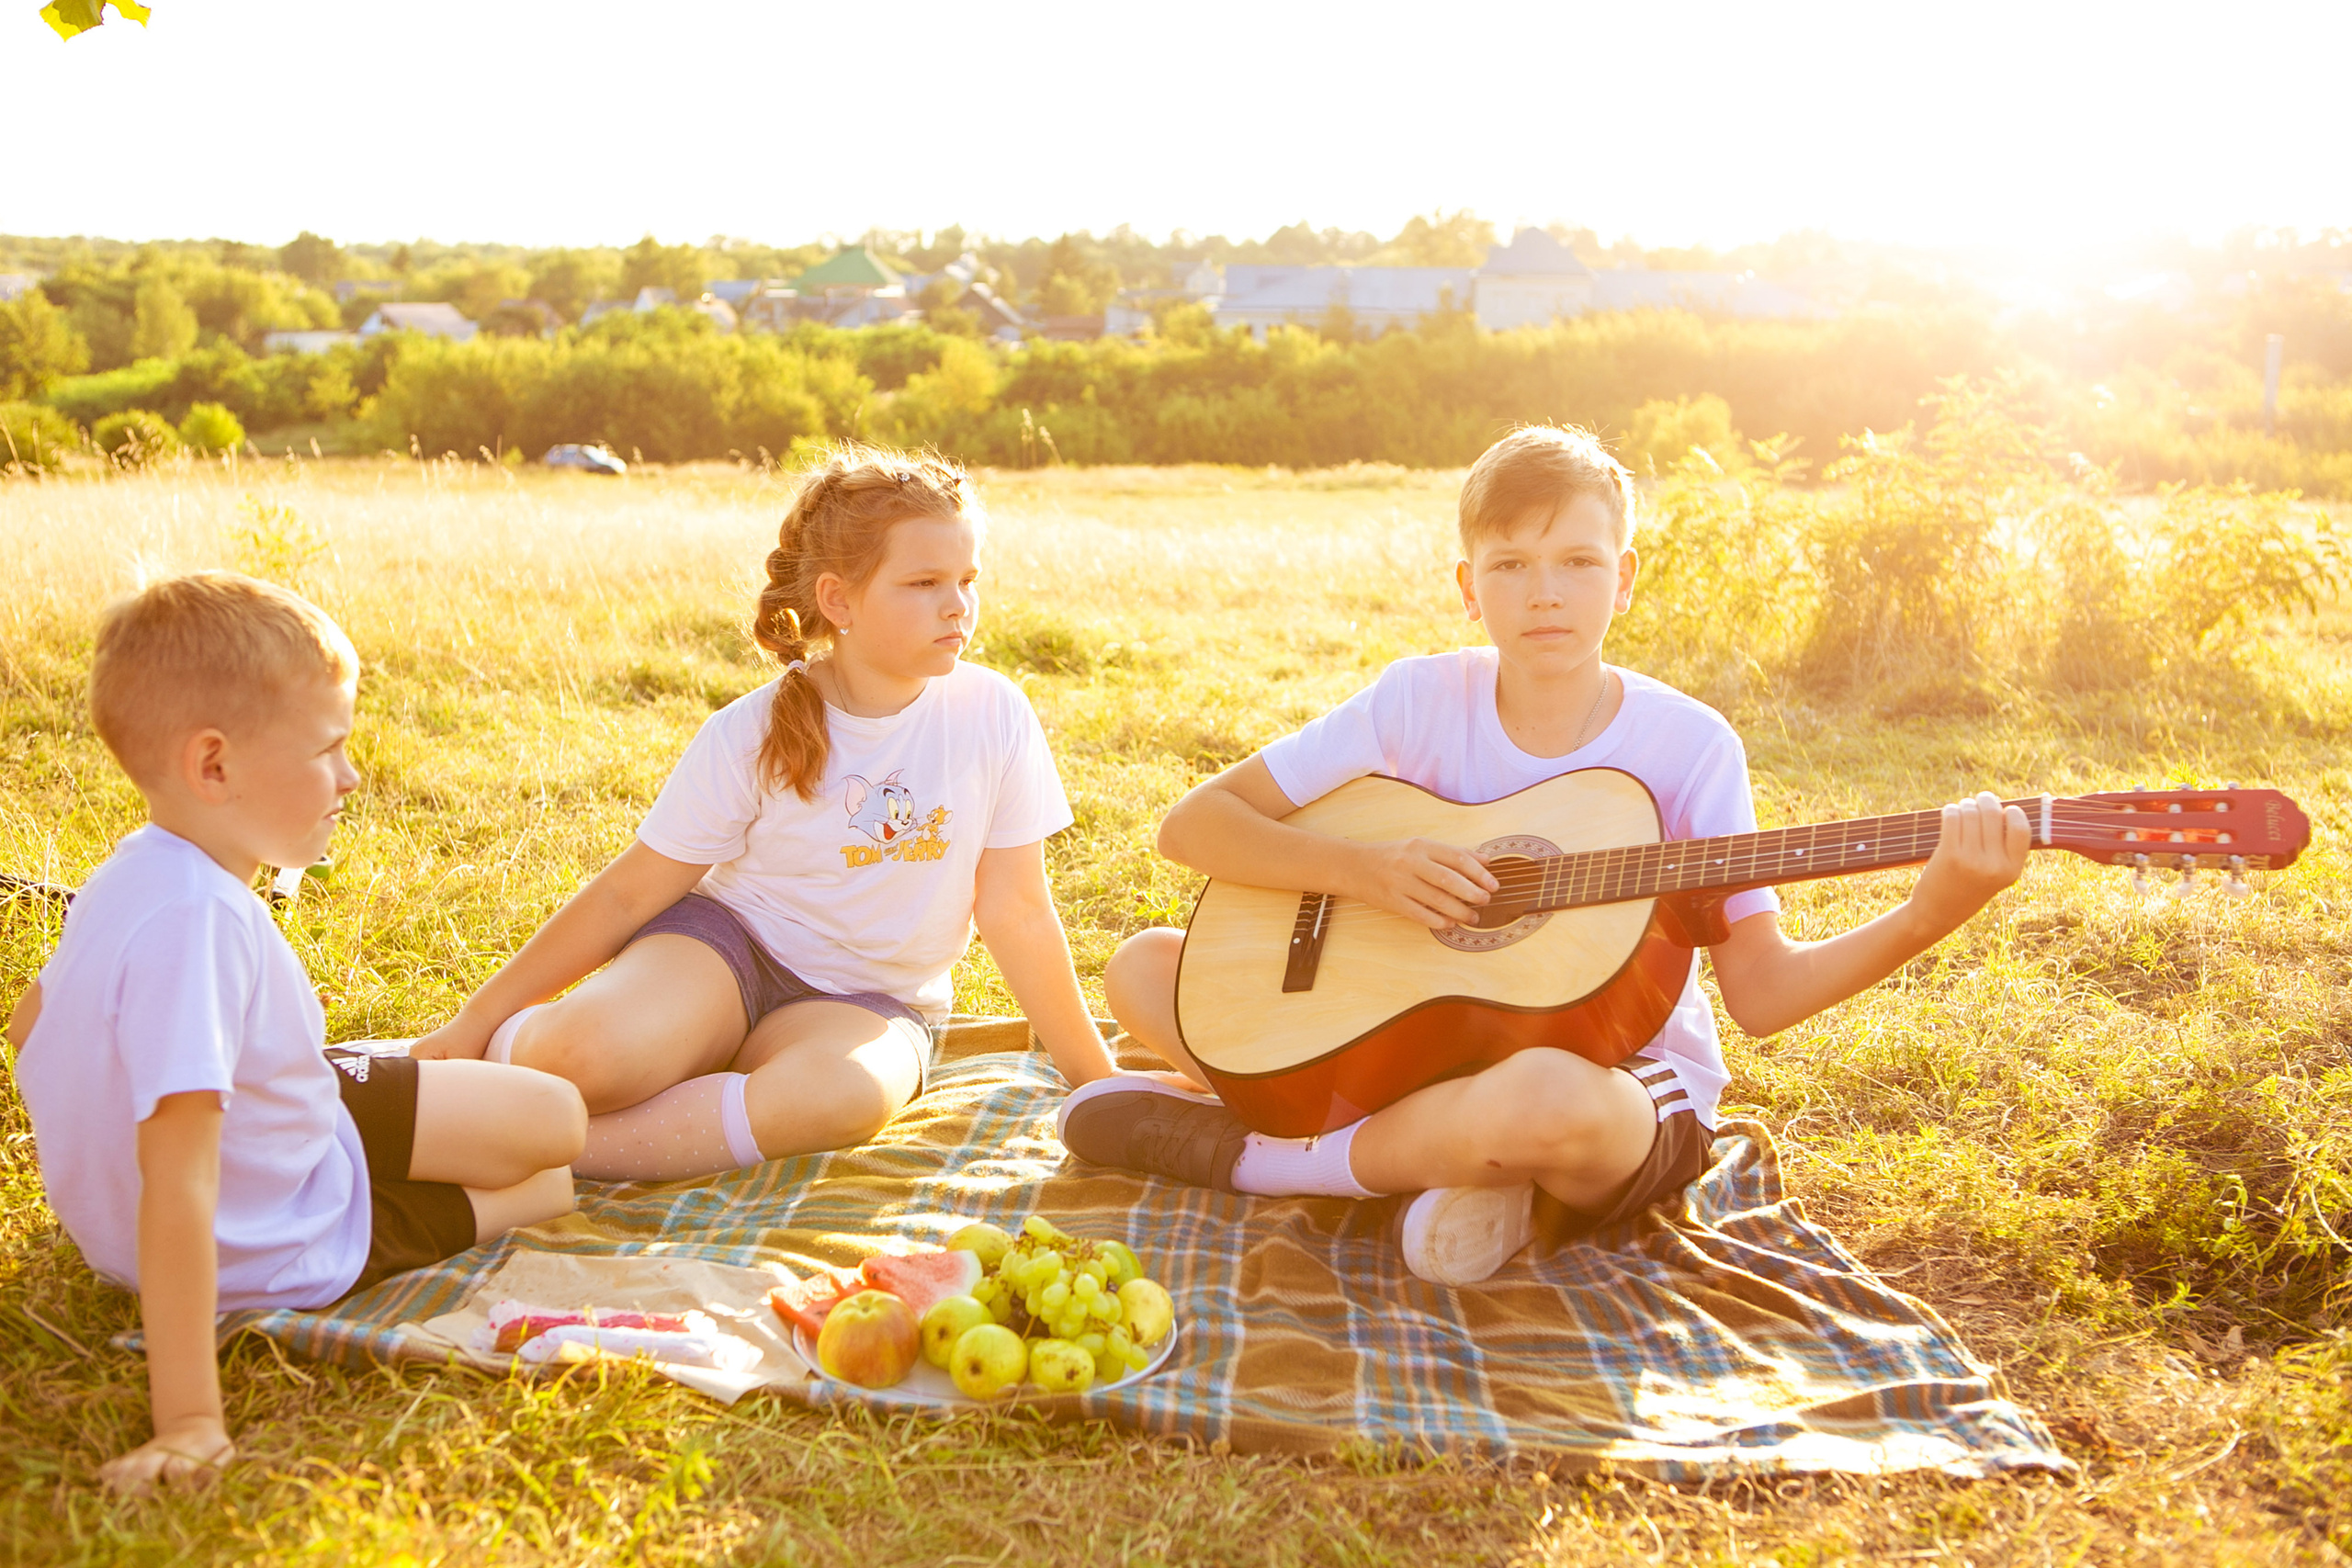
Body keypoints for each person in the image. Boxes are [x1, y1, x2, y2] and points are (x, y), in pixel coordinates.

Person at [1057, 425, 2030, 1285]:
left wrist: (1929, 910)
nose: (1545, 594)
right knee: (1148, 969)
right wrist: (1367, 872)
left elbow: (1762, 995)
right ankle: (1445, 1172)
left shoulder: (1687, 748)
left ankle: (1251, 1160)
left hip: (1610, 1089)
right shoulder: (1418, 700)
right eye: (1510, 565)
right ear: (1466, 589)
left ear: (1625, 575)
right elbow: (1192, 826)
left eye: (1576, 562)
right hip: (1419, 1052)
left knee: (1539, 1095)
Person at [6, 572, 585, 1495]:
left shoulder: (136, 873)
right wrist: (191, 1420)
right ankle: (381, 1115)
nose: (352, 775)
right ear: (215, 767)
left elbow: (30, 1020)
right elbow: (182, 1181)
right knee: (553, 1153)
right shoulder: (200, 922)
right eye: (329, 748)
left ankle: (338, 1085)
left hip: (245, 1162)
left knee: (531, 1117)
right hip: (291, 1231)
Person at [412, 444, 1116, 1175]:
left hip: (870, 1002)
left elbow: (1018, 910)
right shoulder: (750, 729)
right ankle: (510, 1062)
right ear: (838, 600)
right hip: (725, 953)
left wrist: (1099, 1082)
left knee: (842, 1099)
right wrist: (473, 1022)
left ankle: (534, 1147)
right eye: (923, 582)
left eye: (968, 579)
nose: (957, 605)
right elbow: (629, 892)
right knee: (580, 1056)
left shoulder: (993, 712)